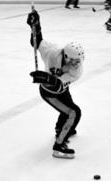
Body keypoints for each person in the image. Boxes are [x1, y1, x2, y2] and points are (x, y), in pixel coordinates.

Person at [27, 10, 84, 159]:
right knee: (74, 113)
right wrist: (35, 26)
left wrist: (48, 78)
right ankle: (59, 146)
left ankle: (61, 130)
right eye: (74, 61)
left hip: (60, 89)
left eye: (79, 61)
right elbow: (36, 41)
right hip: (48, 93)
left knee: (69, 110)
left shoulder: (77, 71)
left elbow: (59, 86)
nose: (77, 64)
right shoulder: (52, 52)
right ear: (66, 56)